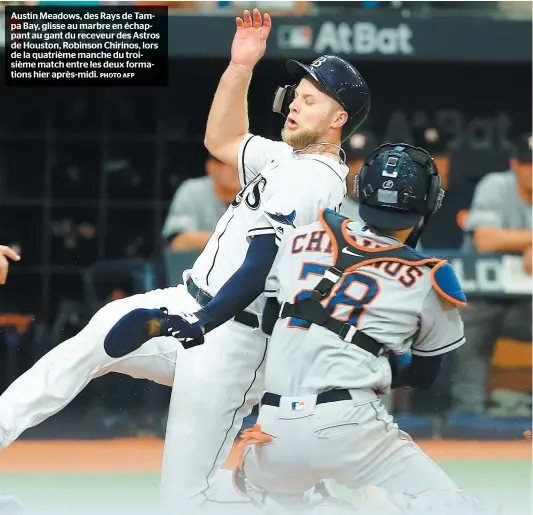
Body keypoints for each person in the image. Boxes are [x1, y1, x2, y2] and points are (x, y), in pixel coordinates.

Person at [0, 8, 370, 512]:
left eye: (311, 101)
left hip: (234, 339)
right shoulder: (290, 158)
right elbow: (221, 140)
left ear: (339, 118)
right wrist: (240, 66)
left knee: (185, 502)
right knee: (86, 347)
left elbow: (258, 267)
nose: (295, 107)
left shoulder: (314, 179)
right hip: (191, 305)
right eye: (296, 97)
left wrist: (196, 321)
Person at [231, 143, 492, 515]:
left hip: (272, 428)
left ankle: (277, 489)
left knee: (284, 493)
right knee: (457, 507)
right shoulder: (428, 275)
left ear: (361, 186)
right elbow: (422, 376)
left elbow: (274, 319)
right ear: (429, 202)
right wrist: (379, 360)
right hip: (351, 427)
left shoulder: (300, 237)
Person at [451, 132, 532, 414]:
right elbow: (485, 241)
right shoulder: (496, 185)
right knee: (471, 331)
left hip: (528, 304)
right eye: (527, 164)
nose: (532, 171)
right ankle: (466, 421)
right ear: (515, 164)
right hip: (483, 298)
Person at [162, 153, 241, 251]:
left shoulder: (260, 192)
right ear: (211, 167)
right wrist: (235, 240)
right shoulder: (193, 191)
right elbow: (179, 241)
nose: (237, 168)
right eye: (229, 162)